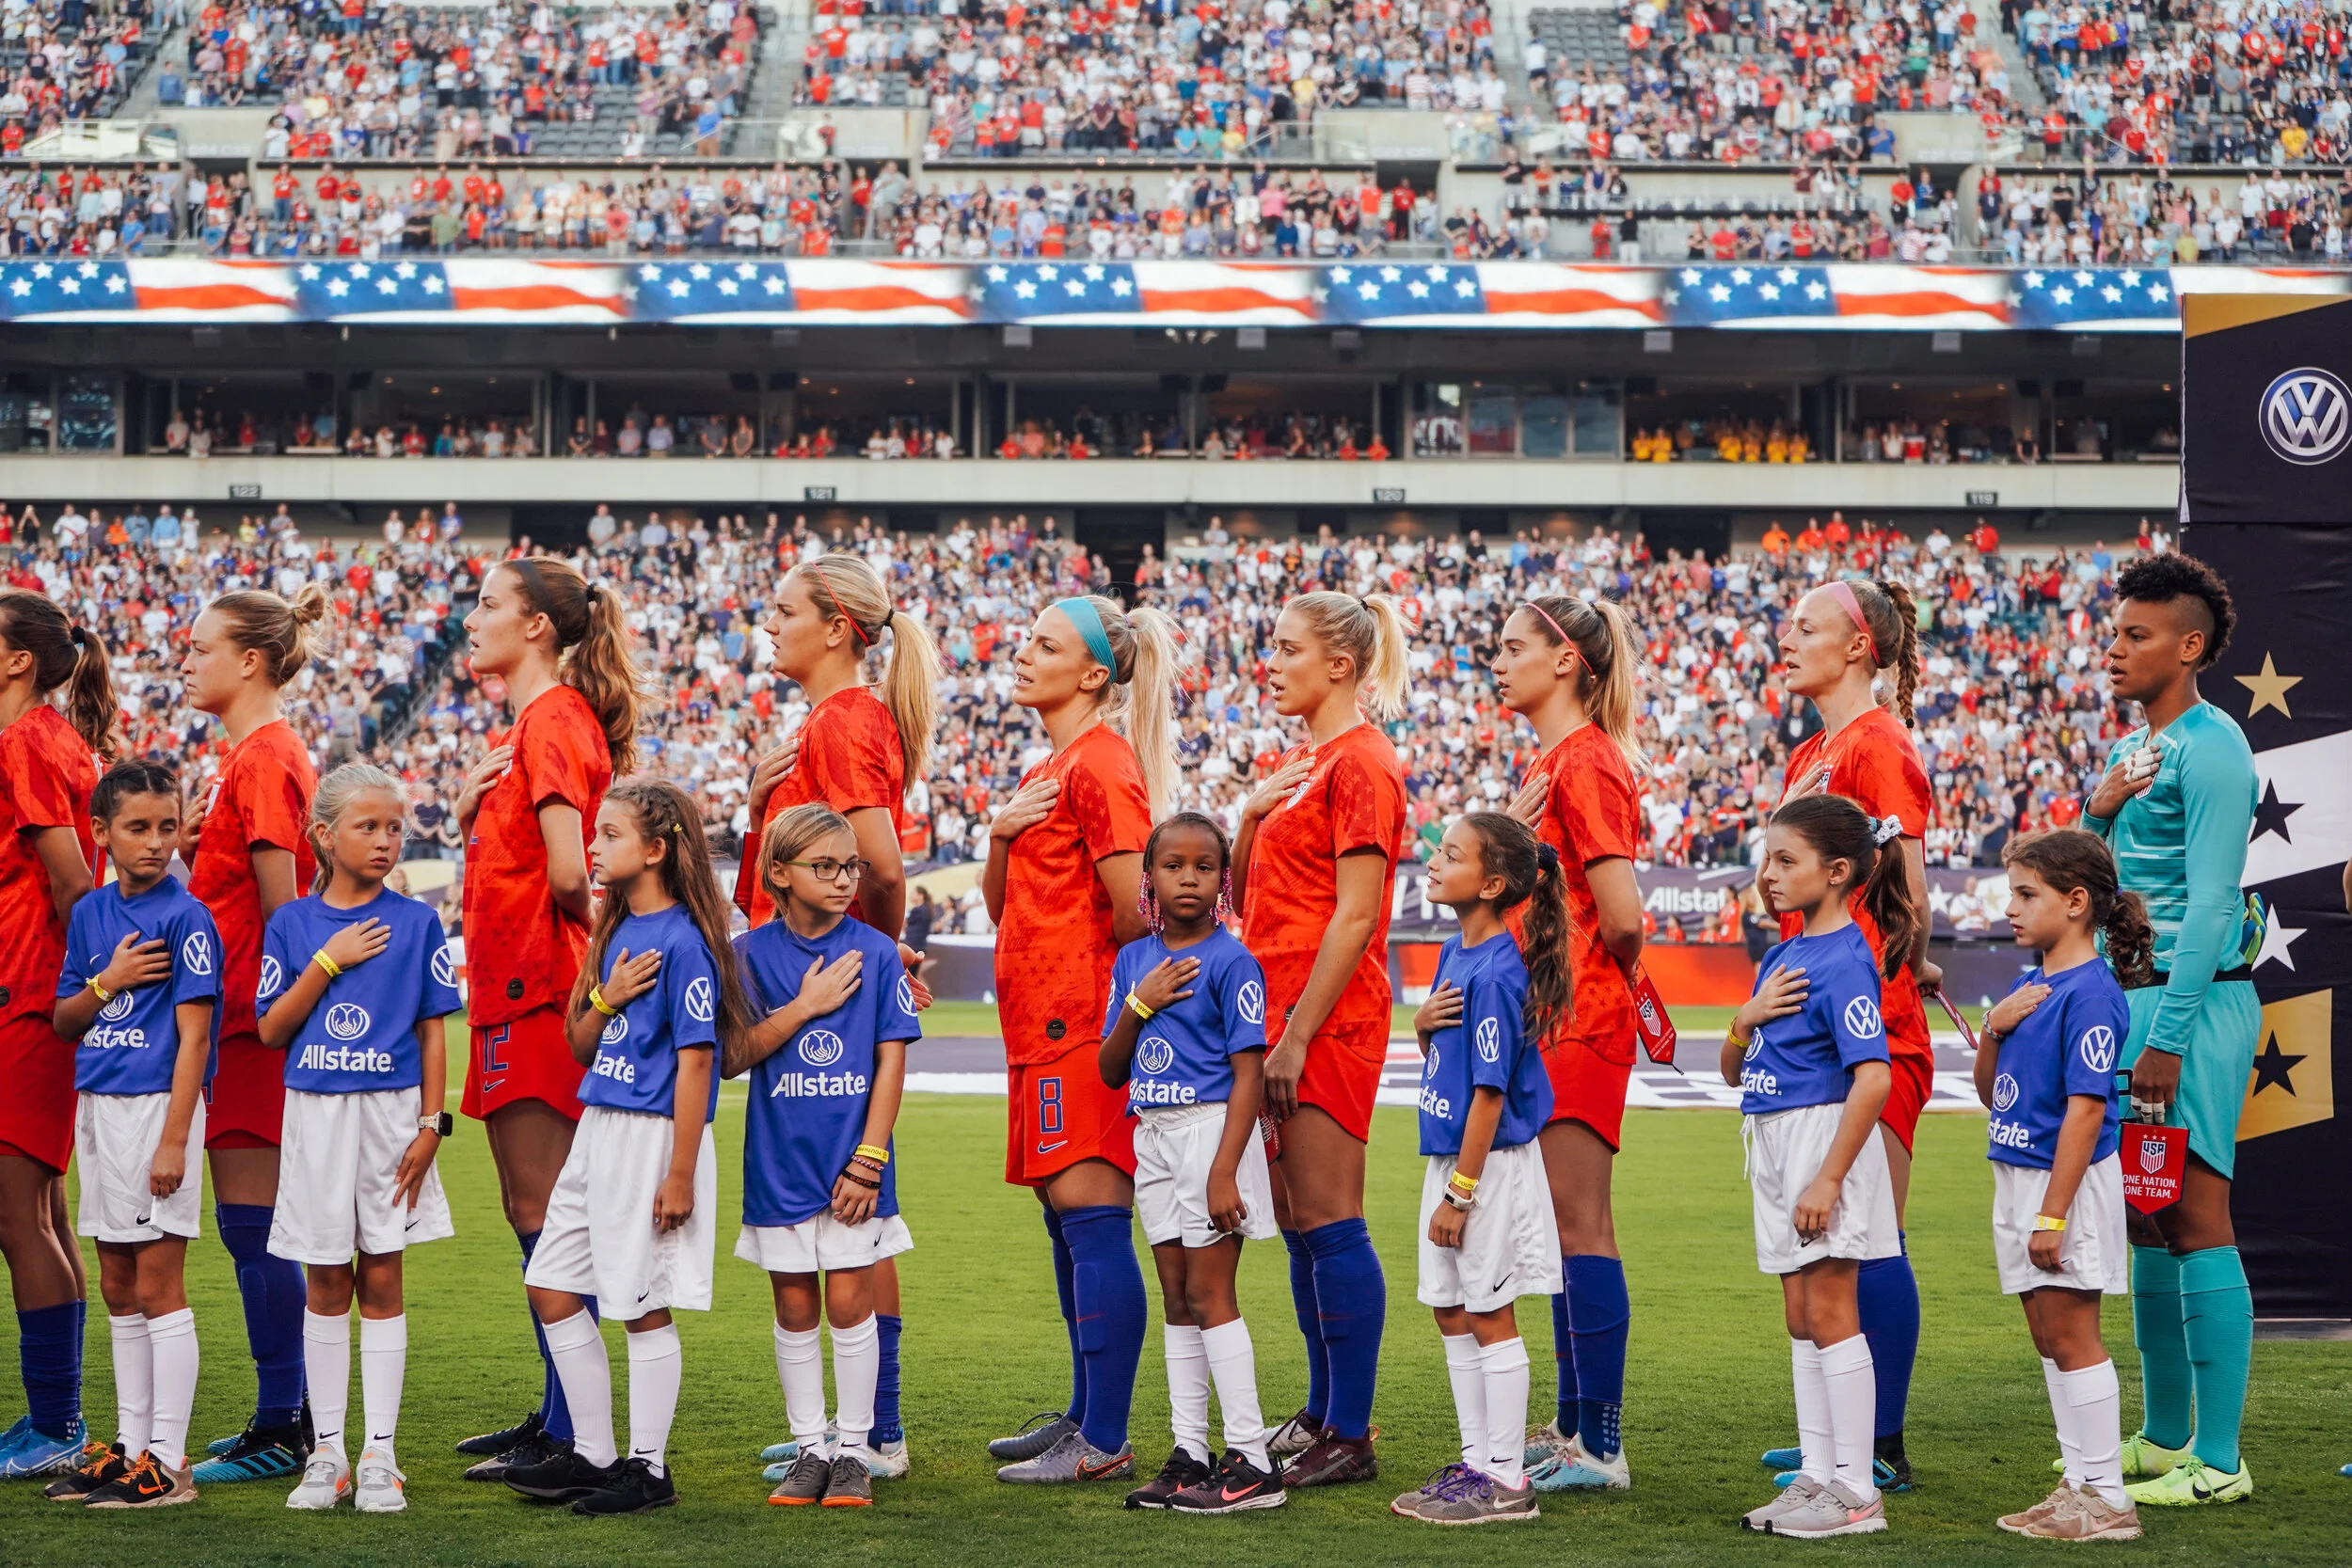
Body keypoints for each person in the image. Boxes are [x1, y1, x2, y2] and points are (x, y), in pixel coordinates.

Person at [736, 554, 941, 1481]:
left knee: (853, 1236)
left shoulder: (846, 717)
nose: (765, 625)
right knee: (838, 1239)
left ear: (833, 627)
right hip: (794, 998)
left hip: (821, 1012)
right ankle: (860, 1428)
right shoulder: (831, 719)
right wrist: (753, 806)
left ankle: (879, 1428)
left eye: (782, 611)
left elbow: (882, 866)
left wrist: (870, 967)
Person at [501, 781, 752, 1517]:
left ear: (656, 848)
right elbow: (581, 1041)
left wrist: (680, 1172)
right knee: (550, 1282)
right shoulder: (614, 930)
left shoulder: (685, 940)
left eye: (608, 834)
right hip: (599, 1125)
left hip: (653, 1137)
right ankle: (595, 1454)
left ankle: (649, 1468)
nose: (594, 846)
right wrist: (606, 994)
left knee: (641, 1303)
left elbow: (699, 1061)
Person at [982, 594, 1178, 1484]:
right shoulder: (1050, 766)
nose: (1024, 654)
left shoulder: (1100, 763)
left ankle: (1103, 1436)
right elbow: (1003, 906)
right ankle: (1081, 1413)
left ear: (1094, 674)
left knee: (1094, 1222)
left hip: (1078, 1025)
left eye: (1045, 644)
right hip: (1036, 1025)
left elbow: (1140, 909)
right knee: (1068, 1226)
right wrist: (996, 836)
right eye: (1026, 639)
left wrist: (1121, 1024)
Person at [453, 557, 640, 1481]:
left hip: (537, 995)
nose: (471, 616)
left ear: (536, 627)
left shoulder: (555, 717)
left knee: (551, 1218)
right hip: (510, 995)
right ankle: (560, 1412)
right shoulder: (536, 721)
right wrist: (467, 817)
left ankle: (577, 1430)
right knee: (535, 1213)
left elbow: (572, 874)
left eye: (489, 603)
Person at [2083, 553, 2260, 1509]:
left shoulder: (2214, 745)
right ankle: (2162, 1435)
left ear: (2187, 646)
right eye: (2114, 632)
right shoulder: (2133, 749)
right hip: (2134, 997)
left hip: (2188, 1005)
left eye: (2136, 635)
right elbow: (2090, 877)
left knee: (2194, 1214)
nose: (2115, 648)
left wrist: (2167, 1034)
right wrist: (2094, 809)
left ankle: (2221, 1458)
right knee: (2149, 1216)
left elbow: (2212, 900)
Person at [1232, 591, 1409, 1488]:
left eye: (1287, 646)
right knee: (1299, 1223)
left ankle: (1351, 1428)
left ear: (1341, 665)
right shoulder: (1301, 762)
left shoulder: (1363, 762)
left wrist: (1296, 1033)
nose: (1272, 658)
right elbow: (1249, 899)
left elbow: (1357, 917)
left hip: (1324, 1020)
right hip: (1277, 1014)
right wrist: (1246, 821)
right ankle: (1321, 1409)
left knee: (1332, 1220)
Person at [1765, 575, 1934, 1492]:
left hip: (1868, 1033)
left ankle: (1882, 1439)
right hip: (1809, 1037)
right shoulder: (1814, 753)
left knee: (1871, 1235)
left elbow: (1904, 895)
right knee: (1828, 1241)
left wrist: (1892, 982)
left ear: (1860, 645)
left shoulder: (1877, 744)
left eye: (1806, 626)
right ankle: (1839, 1429)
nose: (1786, 639)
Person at [255, 764, 462, 1514]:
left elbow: (433, 1029)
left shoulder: (415, 921)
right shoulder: (293, 924)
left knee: (382, 1275)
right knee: (325, 1281)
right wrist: (328, 960)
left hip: (390, 1117)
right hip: (315, 1114)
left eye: (394, 826)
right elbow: (273, 1026)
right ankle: (328, 1453)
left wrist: (432, 1124)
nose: (384, 839)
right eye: (367, 825)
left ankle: (380, 1452)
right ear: (324, 835)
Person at [1727, 794, 1915, 1541]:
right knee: (1802, 1316)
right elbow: (1732, 1070)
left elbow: (1873, 1076)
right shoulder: (1782, 955)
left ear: (1837, 872)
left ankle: (1857, 1490)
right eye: (1766, 859)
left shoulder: (1843, 958)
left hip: (1819, 1142)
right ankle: (1817, 1471)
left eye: (1786, 860)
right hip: (1772, 1138)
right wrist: (1746, 1017)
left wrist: (1830, 1176)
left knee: (1834, 1313)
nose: (1768, 875)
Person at [1492, 594, 1646, 1492]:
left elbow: (1621, 918)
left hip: (1575, 1017)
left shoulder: (1584, 762)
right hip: (1555, 1016)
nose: (1498, 661)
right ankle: (1575, 1427)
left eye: (1513, 647)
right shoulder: (1559, 760)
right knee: (1557, 1225)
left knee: (1580, 1223)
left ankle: (1601, 1445)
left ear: (1562, 662)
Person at [730, 804, 922, 1511]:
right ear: (779, 872)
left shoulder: (874, 951)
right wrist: (805, 1006)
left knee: (849, 1299)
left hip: (854, 1165)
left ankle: (854, 1450)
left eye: (852, 866)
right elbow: (731, 1055)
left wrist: (871, 1156)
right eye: (827, 866)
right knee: (793, 1301)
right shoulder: (748, 955)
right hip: (779, 1163)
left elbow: (891, 1056)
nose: (845, 879)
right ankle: (809, 1448)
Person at [178, 588, 324, 1486]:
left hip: (250, 1024)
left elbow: (282, 909)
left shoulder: (266, 757)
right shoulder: (248, 756)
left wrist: (273, 1016)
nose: (185, 662)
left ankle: (286, 1422)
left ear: (251, 662)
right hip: (234, 1016)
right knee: (250, 1225)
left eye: (199, 649)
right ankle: (284, 1413)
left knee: (256, 1225)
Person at [44, 763, 220, 1508]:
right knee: (117, 1282)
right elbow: (64, 1019)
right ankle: (130, 1445)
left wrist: (175, 1139)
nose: (155, 843)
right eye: (138, 827)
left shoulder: (188, 917)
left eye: (167, 827)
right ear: (101, 832)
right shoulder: (89, 914)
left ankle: (170, 1461)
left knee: (157, 1283)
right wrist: (108, 979)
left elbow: (195, 1040)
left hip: (157, 1110)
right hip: (99, 1109)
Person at [1097, 812, 1282, 1515]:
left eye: (1204, 866)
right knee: (1176, 1297)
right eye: (1173, 865)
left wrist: (1224, 1167)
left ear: (1222, 880)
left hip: (1210, 1134)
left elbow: (1249, 1073)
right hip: (1153, 1133)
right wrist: (1138, 1006)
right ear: (1150, 877)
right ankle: (1190, 1452)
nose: (1188, 877)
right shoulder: (1131, 962)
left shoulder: (1233, 961)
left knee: (1211, 1295)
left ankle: (1252, 1459)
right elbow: (1111, 1068)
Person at [1389, 813, 1569, 1527]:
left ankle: (1506, 1479)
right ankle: (1475, 1462)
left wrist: (1461, 1194)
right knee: (1449, 1308)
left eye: (1452, 854)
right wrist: (1422, 1025)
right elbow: (1453, 1059)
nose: (1434, 861)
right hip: (1452, 1156)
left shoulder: (1497, 967)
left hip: (1485, 1167)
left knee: (1490, 1314)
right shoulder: (1453, 951)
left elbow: (1491, 1091)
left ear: (1492, 884)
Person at [1974, 829, 2147, 1542]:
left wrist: (2053, 1214)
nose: (2010, 907)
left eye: (2026, 893)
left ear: (2076, 902)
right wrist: (1993, 1028)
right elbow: (1995, 1094)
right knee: (2048, 1334)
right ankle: (2077, 1482)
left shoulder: (2093, 993)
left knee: (2074, 1334)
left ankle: (2107, 1496)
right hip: (2018, 1176)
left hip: (2061, 1185)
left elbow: (2086, 1109)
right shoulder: (2028, 984)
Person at [0, 590, 110, 1480]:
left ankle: (56, 1424)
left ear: (16, 660)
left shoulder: (29, 738)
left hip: (29, 994)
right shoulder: (52, 738)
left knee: (17, 1212)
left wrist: (88, 992)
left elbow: (73, 887)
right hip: (33, 992)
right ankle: (55, 1416)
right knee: (40, 1210)